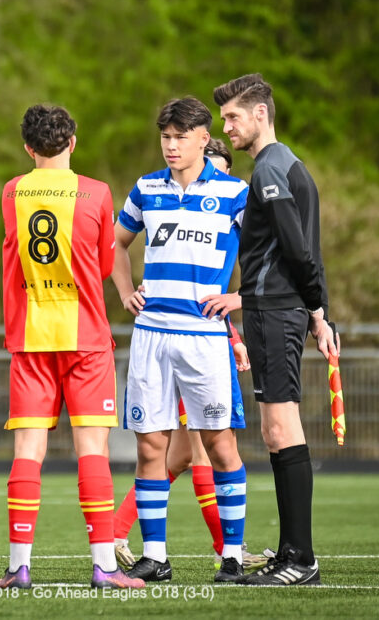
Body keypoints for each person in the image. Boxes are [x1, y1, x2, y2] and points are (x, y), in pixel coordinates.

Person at [0, 104, 143, 591]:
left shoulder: (12, 191)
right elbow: (104, 263)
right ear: (73, 142)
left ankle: (19, 567)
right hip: (85, 340)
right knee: (92, 452)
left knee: (27, 452)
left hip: (31, 339)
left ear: (28, 147)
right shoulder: (97, 192)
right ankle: (104, 567)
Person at [113, 97, 250, 584]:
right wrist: (126, 290)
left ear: (201, 139)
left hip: (205, 339)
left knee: (219, 444)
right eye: (165, 138)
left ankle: (232, 556)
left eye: (180, 138)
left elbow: (268, 251)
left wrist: (240, 297)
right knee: (150, 447)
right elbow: (117, 243)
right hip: (151, 336)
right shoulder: (146, 188)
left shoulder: (236, 192)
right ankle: (155, 556)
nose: (171, 146)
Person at [212, 73, 339, 586]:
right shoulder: (285, 164)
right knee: (272, 429)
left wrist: (315, 310)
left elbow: (298, 249)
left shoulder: (269, 169)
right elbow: (311, 248)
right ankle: (290, 551)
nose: (228, 126)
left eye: (232, 117)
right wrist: (319, 310)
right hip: (283, 310)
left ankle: (300, 560)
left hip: (275, 310)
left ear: (260, 113)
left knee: (282, 428)